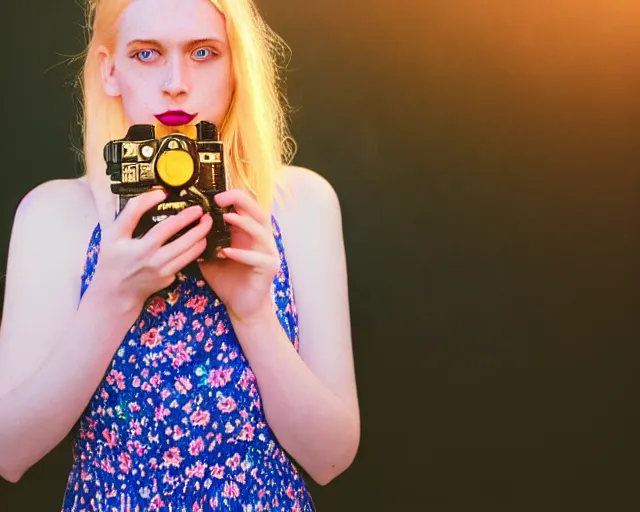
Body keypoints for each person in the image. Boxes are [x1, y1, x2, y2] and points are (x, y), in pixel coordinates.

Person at [0, 0, 360, 509]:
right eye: (147, 54)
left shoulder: (297, 203)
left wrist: (254, 315)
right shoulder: (57, 215)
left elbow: (331, 458)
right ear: (110, 70)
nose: (176, 82)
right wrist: (113, 298)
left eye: (204, 52)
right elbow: (8, 454)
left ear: (237, 65)